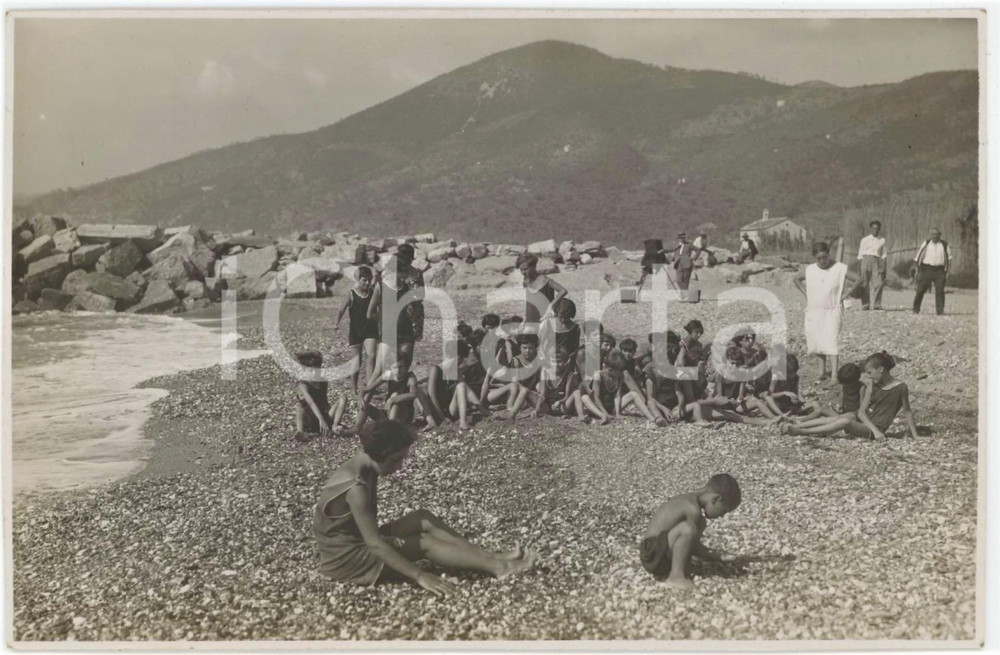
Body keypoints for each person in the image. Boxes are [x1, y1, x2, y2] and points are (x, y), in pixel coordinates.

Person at [313, 419, 537, 596]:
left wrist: (387, 540)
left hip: (354, 541)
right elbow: (374, 545)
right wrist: (419, 576)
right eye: (395, 460)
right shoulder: (356, 488)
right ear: (379, 454)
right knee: (424, 543)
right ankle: (501, 568)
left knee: (422, 518)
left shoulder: (364, 464)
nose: (399, 466)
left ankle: (490, 558)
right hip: (345, 560)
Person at [783, 351, 918, 440]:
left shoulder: (901, 388)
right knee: (842, 417)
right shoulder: (872, 385)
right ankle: (799, 424)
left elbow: (908, 412)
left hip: (875, 427)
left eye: (870, 373)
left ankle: (800, 431)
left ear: (880, 369)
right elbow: (861, 412)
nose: (868, 376)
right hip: (866, 421)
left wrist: (915, 435)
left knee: (845, 421)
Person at [639, 473, 741, 589]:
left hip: (656, 550)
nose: (721, 516)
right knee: (688, 528)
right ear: (716, 499)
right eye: (723, 511)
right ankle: (676, 576)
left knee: (697, 526)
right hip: (651, 554)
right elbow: (694, 545)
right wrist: (714, 555)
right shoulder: (693, 510)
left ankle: (679, 568)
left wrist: (711, 555)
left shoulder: (690, 499)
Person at [793, 241, 861, 384]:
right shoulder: (810, 269)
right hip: (814, 309)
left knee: (831, 340)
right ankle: (821, 372)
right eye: (819, 258)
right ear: (814, 257)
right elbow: (796, 279)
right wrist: (806, 293)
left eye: (825, 257)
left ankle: (835, 376)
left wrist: (845, 295)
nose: (822, 261)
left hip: (832, 309)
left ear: (829, 254)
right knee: (818, 341)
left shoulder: (839, 268)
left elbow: (859, 279)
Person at [368, 244, 425, 377]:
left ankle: (398, 381)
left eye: (406, 257)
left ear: (411, 258)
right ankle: (392, 380)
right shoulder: (391, 272)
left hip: (412, 314)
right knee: (389, 353)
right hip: (395, 316)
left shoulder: (417, 273)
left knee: (406, 353)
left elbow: (422, 295)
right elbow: (382, 294)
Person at [335, 266, 380, 393]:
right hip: (355, 331)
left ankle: (369, 386)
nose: (367, 283)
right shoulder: (351, 294)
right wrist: (336, 323)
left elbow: (380, 309)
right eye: (364, 280)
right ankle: (354, 387)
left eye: (369, 280)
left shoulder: (373, 293)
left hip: (370, 330)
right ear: (358, 279)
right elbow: (341, 310)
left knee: (372, 356)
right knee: (356, 362)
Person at [294, 351, 349, 442]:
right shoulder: (303, 385)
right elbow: (311, 403)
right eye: (311, 371)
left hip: (323, 417)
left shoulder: (323, 381)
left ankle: (334, 426)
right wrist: (321, 419)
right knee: (299, 408)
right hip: (309, 420)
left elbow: (324, 401)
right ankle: (300, 432)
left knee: (343, 397)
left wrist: (328, 415)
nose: (314, 373)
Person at [792, 362, 864, 427]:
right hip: (843, 414)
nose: (845, 386)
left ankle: (806, 425)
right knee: (821, 410)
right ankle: (802, 421)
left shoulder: (861, 388)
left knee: (829, 420)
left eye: (847, 384)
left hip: (854, 416)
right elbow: (843, 396)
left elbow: (862, 409)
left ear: (854, 381)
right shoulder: (845, 386)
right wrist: (841, 407)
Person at [516, 253, 567, 335]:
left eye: (525, 269)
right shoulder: (526, 280)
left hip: (544, 320)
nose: (523, 272)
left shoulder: (544, 280)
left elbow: (563, 291)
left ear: (534, 267)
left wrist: (551, 305)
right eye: (521, 270)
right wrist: (525, 319)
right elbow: (529, 301)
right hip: (530, 320)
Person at [912, 228, 951, 315]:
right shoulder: (926, 243)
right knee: (920, 290)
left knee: (940, 290)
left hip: (940, 271)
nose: (935, 236)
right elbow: (918, 257)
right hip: (926, 269)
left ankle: (940, 311)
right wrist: (917, 270)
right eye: (933, 234)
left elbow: (949, 259)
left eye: (937, 234)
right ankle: (916, 309)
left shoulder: (944, 245)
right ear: (931, 234)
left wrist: (948, 272)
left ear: (940, 235)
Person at [857, 220, 887, 311]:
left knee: (879, 283)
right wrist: (859, 267)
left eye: (877, 229)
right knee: (864, 283)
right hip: (865, 260)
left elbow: (884, 255)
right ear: (870, 228)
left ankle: (877, 304)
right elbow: (860, 254)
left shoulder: (882, 240)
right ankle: (866, 304)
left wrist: (884, 267)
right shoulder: (864, 240)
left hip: (876, 261)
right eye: (874, 228)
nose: (875, 230)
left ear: (879, 229)